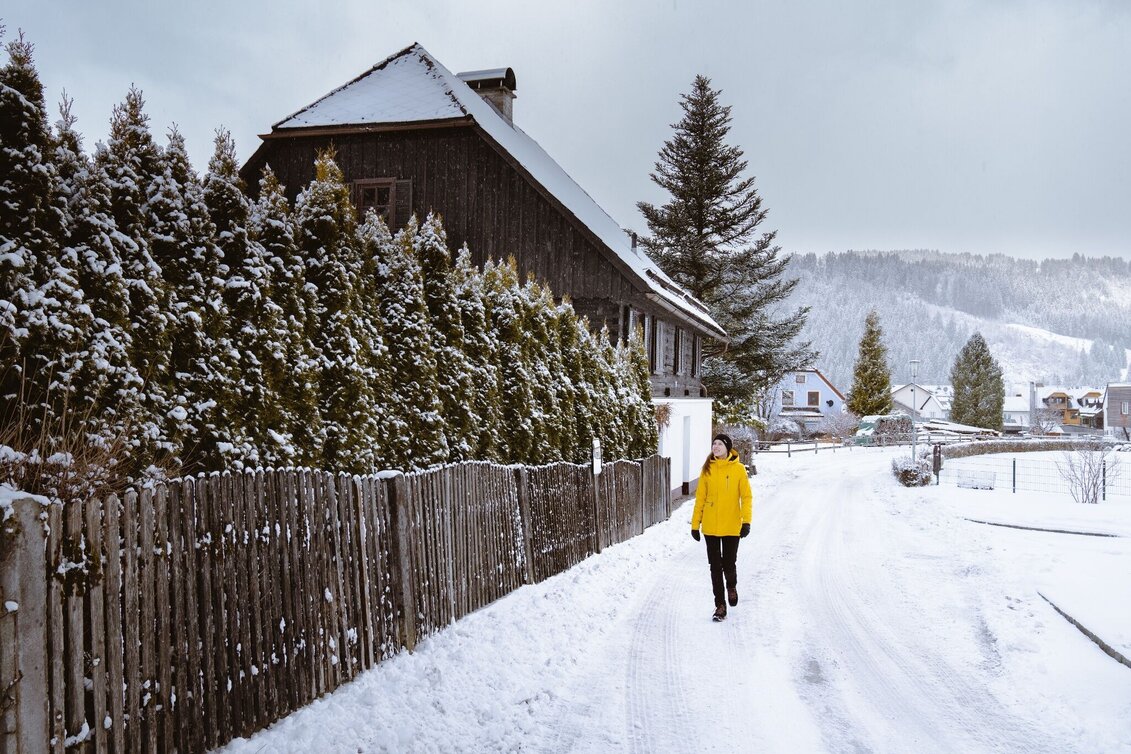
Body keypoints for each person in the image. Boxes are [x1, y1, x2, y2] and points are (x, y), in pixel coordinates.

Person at [690, 433, 753, 622]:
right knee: (715, 567)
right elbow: (700, 497)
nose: (715, 447)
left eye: (719, 444)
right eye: (713, 444)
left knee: (729, 564)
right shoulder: (707, 470)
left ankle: (731, 586)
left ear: (727, 447)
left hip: (732, 525)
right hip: (710, 527)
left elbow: (747, 497)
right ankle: (720, 605)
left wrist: (746, 522)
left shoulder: (739, 469)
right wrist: (695, 524)